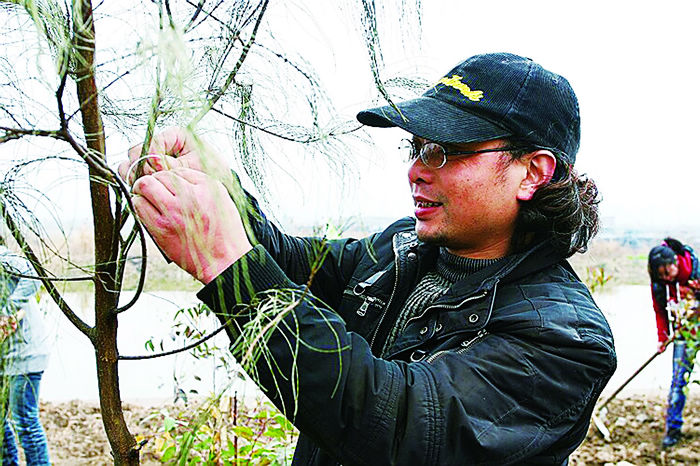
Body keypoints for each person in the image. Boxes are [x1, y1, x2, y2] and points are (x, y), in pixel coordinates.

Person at [120, 52, 616, 465]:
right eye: (416, 147)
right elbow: (295, 265)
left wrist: (228, 263)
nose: (416, 170)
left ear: (533, 172)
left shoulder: (564, 341)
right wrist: (213, 184)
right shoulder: (403, 249)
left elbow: (393, 423)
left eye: (445, 150)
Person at [0, 235, 51, 465]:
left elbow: (32, 273)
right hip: (6, 357)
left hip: (25, 354)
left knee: (25, 422)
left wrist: (7, 311)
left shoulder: (2, 257)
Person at [647, 237, 699, 449]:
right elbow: (660, 310)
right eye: (660, 275)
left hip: (696, 324)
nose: (666, 278)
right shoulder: (660, 285)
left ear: (675, 262)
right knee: (678, 382)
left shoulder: (695, 269)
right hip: (683, 334)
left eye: (667, 272)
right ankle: (673, 429)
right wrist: (662, 337)